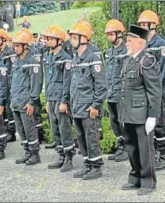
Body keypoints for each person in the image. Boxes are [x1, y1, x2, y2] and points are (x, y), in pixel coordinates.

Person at [118, 25, 161, 195]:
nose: (126, 44)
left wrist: (152, 116)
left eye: (130, 41)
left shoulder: (147, 61)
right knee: (131, 147)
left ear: (141, 43)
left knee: (145, 149)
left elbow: (154, 91)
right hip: (128, 113)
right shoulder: (129, 60)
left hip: (141, 114)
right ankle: (135, 177)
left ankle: (148, 182)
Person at [69, 22, 107, 180]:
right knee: (81, 138)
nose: (71, 40)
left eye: (74, 37)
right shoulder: (75, 58)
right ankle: (87, 165)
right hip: (77, 107)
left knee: (91, 137)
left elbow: (101, 86)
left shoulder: (93, 58)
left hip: (88, 107)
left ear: (83, 38)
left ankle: (96, 167)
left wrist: (95, 105)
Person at [137, 10, 165, 171]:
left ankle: (163, 156)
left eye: (145, 24)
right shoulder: (142, 43)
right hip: (144, 90)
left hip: (156, 91)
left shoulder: (161, 44)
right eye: (141, 24)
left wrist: (155, 91)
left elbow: (163, 72)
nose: (142, 27)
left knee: (160, 122)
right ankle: (154, 152)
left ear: (153, 25)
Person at [44, 25, 75, 172]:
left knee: (64, 129)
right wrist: (48, 100)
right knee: (54, 128)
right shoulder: (48, 56)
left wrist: (64, 101)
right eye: (47, 38)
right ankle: (61, 155)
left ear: (59, 41)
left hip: (61, 99)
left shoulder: (65, 59)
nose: (48, 41)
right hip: (52, 98)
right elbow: (47, 80)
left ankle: (69, 158)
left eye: (51, 39)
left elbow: (67, 81)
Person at [11, 30, 41, 165]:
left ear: (25, 46)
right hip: (16, 102)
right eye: (14, 45)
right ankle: (27, 152)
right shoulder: (16, 61)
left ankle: (34, 154)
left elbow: (36, 84)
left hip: (25, 102)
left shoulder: (33, 62)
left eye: (18, 45)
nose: (15, 48)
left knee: (29, 129)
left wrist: (31, 101)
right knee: (21, 130)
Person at [104, 19, 128, 162]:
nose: (109, 37)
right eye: (107, 35)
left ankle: (127, 148)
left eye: (111, 34)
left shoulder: (126, 50)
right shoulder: (108, 52)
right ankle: (120, 147)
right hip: (111, 92)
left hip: (121, 93)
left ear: (119, 34)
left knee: (123, 122)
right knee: (114, 122)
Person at [0, 29, 17, 143]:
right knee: (2, 109)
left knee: (8, 108)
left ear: (3, 39)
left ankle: (11, 132)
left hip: (8, 84)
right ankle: (5, 129)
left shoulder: (10, 52)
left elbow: (12, 70)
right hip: (0, 84)